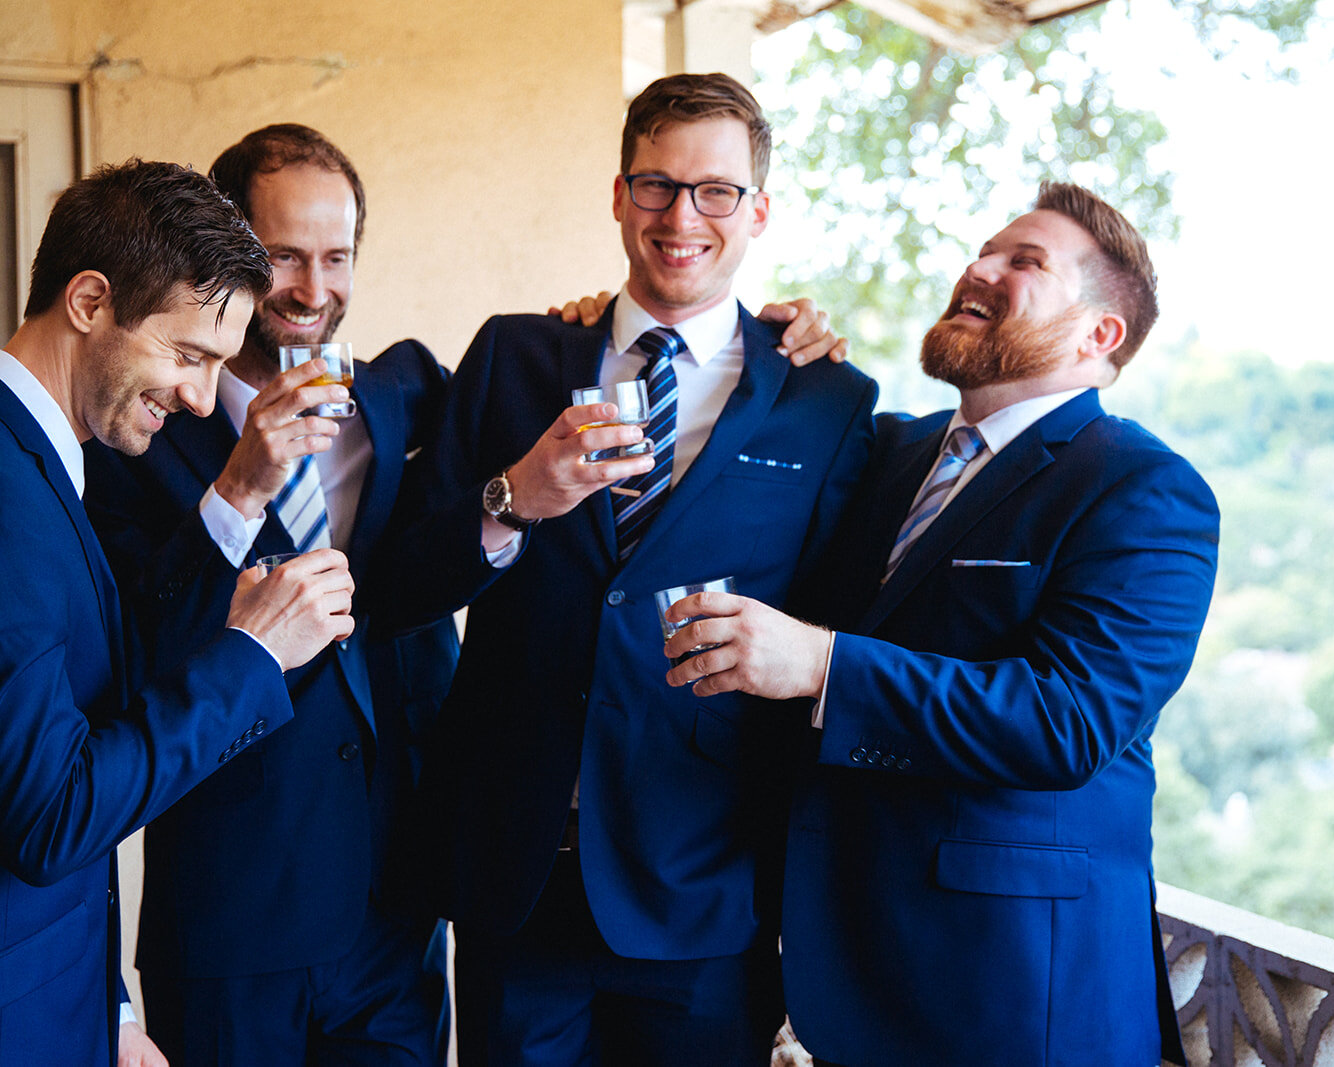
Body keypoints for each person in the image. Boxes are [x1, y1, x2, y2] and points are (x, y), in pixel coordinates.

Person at [0, 159, 356, 1067]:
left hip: (32, 1009)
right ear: (89, 300)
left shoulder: (18, 461)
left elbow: (48, 741)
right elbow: (52, 811)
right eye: (188, 354)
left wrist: (111, 1009)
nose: (203, 398)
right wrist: (251, 653)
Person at [379, 73, 878, 1066]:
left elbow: (833, 630)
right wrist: (512, 496)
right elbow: (398, 587)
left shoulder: (825, 399)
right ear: (617, 195)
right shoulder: (513, 355)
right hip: (511, 877)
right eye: (655, 184)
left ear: (758, 209)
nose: (681, 214)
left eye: (715, 190)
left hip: (703, 889)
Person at [662, 182, 1215, 1066]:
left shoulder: (1145, 488)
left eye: (1024, 262)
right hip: (832, 971)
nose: (980, 267)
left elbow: (1067, 722)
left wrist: (822, 666)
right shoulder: (886, 451)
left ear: (1098, 334)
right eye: (985, 249)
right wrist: (642, 329)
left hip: (1015, 997)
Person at [82, 125, 458, 1066]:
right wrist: (236, 489)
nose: (312, 288)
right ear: (227, 251)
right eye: (283, 255)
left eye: (336, 257)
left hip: (393, 921)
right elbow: (133, 656)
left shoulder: (400, 398)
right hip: (229, 925)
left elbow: (550, 395)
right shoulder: (138, 430)